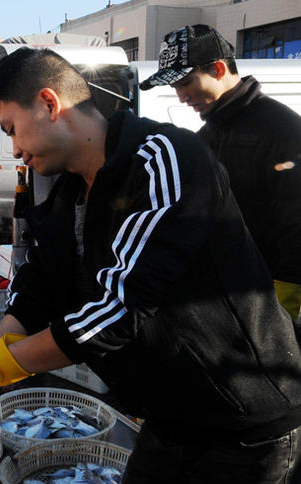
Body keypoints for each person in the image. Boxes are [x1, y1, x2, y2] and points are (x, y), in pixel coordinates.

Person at [0, 48, 301, 484]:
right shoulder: (64, 197)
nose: (16, 150)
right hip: (169, 417)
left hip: (244, 420)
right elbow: (35, 300)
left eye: (12, 130)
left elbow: (117, 311)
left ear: (49, 103)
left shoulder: (164, 159)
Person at [141, 24, 301, 321]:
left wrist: (281, 309)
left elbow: (297, 226)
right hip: (215, 302)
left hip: (263, 300)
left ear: (217, 68)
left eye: (186, 82)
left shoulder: (285, 130)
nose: (180, 96)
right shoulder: (204, 137)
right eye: (174, 87)